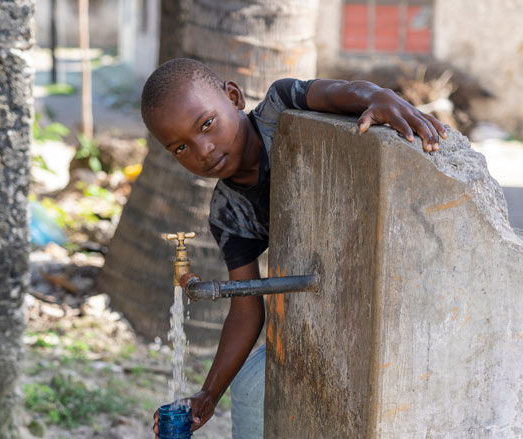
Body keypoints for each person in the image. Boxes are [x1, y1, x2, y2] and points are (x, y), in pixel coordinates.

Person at [143, 58, 446, 438]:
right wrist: (207, 396)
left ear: (233, 96)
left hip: (404, 279)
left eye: (206, 124)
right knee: (252, 387)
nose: (202, 150)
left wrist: (379, 97)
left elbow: (338, 93)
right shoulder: (228, 213)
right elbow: (246, 308)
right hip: (329, 317)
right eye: (180, 147)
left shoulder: (279, 107)